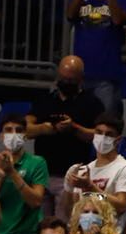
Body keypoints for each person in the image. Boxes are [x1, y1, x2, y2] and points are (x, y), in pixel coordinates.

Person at [66, 0, 126, 121]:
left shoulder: (122, 0)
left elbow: (117, 19)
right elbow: (70, 14)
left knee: (105, 122)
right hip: (80, 76)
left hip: (107, 75)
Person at [26, 55, 105, 185]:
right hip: (43, 173)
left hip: (73, 174)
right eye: (63, 79)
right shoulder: (45, 100)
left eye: (71, 80)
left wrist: (74, 128)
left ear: (80, 78)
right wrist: (43, 129)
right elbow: (26, 128)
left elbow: (99, 135)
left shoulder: (92, 103)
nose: (67, 83)